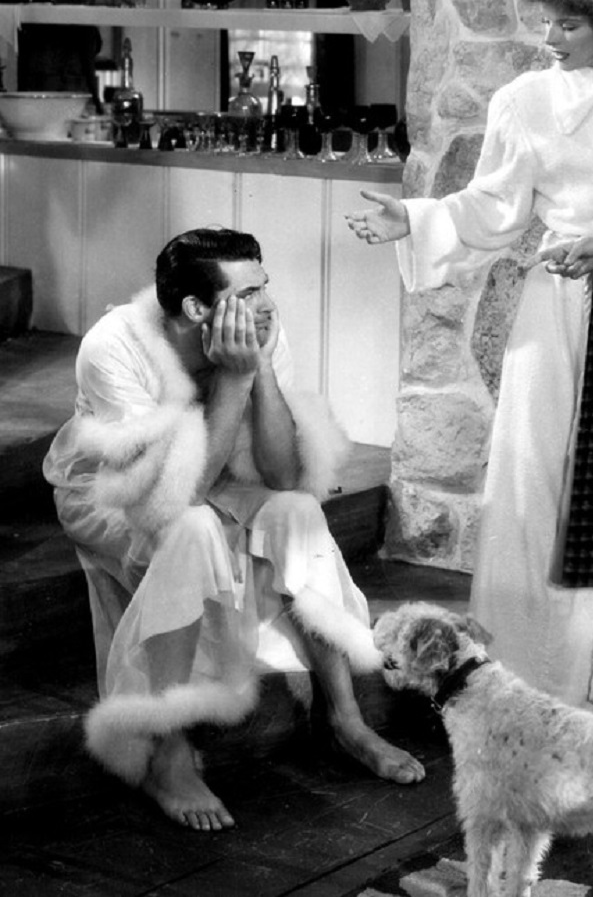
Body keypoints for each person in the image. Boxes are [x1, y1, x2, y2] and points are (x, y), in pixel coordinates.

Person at [346, 0, 593, 727]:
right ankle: (543, 670)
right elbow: (493, 207)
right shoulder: (524, 101)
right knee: (534, 476)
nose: (548, 38)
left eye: (566, 24)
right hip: (559, 306)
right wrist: (415, 217)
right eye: (544, 23)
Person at [43, 227, 425, 832]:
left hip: (218, 474)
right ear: (197, 308)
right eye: (248, 293)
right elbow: (177, 498)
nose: (267, 303)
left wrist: (259, 370)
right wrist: (234, 381)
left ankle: (344, 718)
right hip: (113, 491)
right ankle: (166, 751)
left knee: (296, 513)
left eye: (264, 285)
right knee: (193, 528)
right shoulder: (113, 346)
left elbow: (284, 475)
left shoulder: (257, 329)